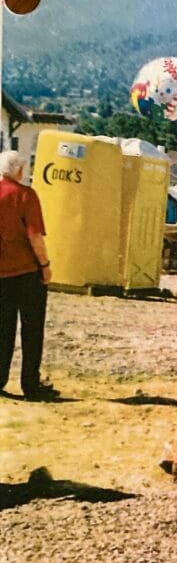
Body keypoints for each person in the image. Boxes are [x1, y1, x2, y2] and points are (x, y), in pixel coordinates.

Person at [0, 150, 59, 401]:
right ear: (20, 171)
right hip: (26, 273)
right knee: (32, 330)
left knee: (2, 329)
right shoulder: (26, 195)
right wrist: (45, 266)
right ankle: (30, 385)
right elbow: (35, 237)